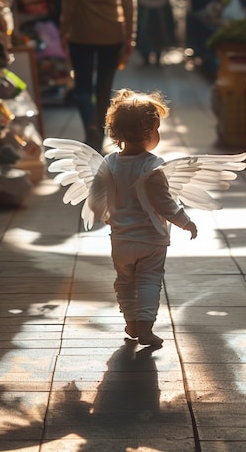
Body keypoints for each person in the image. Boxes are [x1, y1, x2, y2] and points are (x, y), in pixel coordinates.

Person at [90, 88, 198, 347]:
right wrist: (186, 222)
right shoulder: (152, 166)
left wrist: (105, 215)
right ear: (149, 131)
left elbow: (96, 197)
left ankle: (132, 322)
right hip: (150, 240)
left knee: (125, 281)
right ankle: (147, 327)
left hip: (121, 240)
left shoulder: (109, 163)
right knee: (149, 280)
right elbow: (165, 203)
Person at [60, 0, 137, 153]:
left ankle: (90, 129)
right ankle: (99, 136)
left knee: (82, 86)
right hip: (111, 33)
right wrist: (129, 37)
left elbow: (69, 0)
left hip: (81, 32)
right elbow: (128, 4)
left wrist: (64, 31)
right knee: (104, 87)